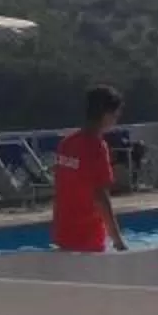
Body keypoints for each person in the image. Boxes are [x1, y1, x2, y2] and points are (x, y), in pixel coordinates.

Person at [50, 83, 129, 253]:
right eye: (116, 115)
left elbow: (61, 185)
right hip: (87, 238)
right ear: (106, 115)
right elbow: (100, 196)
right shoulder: (96, 147)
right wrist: (117, 240)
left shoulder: (66, 143)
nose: (116, 119)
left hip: (63, 233)